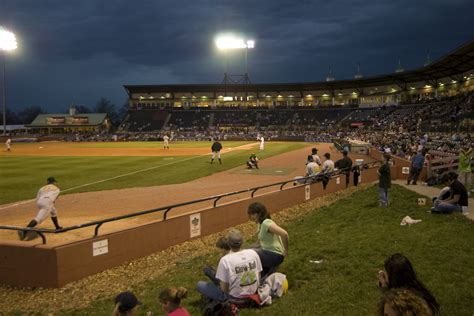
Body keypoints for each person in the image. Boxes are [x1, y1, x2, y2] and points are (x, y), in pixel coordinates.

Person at [196, 228, 262, 302]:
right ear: (242, 242)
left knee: (200, 284)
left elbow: (224, 289)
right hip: (253, 293)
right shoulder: (253, 253)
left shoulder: (225, 260)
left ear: (229, 244)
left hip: (234, 297)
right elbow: (258, 276)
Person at [247, 202, 289, 279]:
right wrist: (244, 251)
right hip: (267, 252)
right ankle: (265, 274)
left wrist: (286, 250)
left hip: (275, 254)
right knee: (248, 252)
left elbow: (284, 234)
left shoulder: (266, 223)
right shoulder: (260, 224)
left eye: (253, 214)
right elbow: (259, 242)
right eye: (251, 214)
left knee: (250, 254)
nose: (252, 217)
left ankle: (259, 276)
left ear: (260, 213)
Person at [18, 177, 62, 241]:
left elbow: (37, 198)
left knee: (53, 211)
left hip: (40, 201)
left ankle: (57, 227)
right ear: (54, 182)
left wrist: (42, 205)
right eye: (55, 182)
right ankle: (24, 231)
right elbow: (54, 200)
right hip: (48, 202)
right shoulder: (57, 189)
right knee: (39, 219)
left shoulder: (42, 188)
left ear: (47, 182)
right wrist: (47, 205)